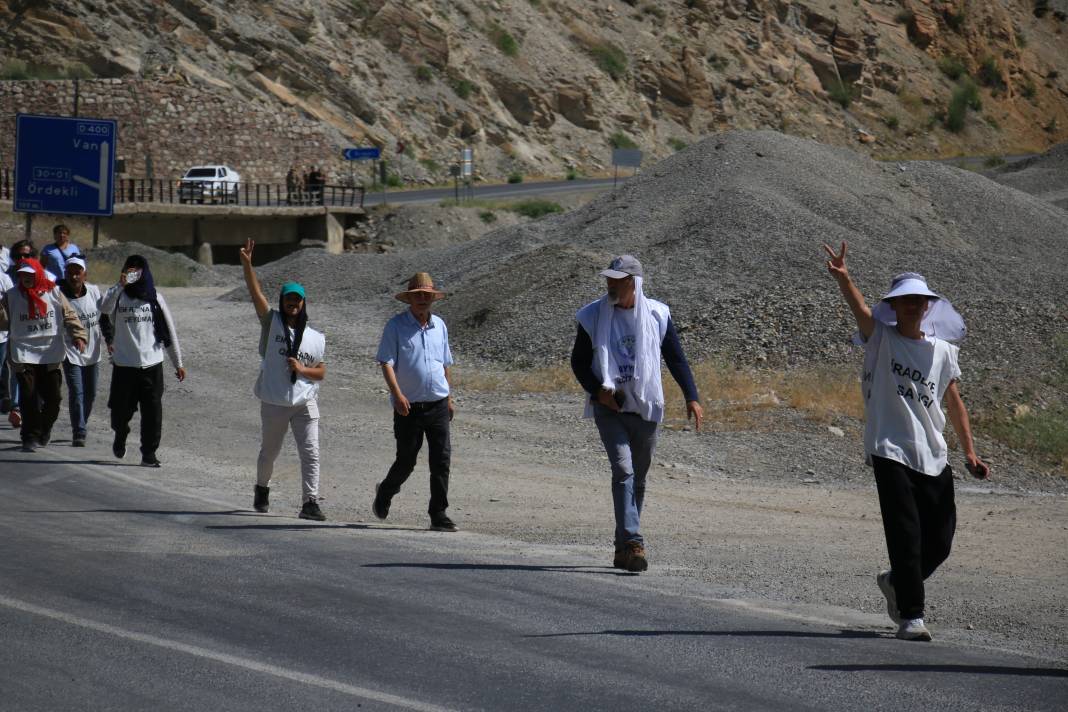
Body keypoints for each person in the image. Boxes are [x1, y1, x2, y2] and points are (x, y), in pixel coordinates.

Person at [823, 241, 989, 642]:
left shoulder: (944, 352)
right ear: (893, 307)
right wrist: (844, 279)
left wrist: (969, 450)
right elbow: (861, 313)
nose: (913, 306)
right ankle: (911, 615)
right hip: (890, 447)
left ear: (928, 306)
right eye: (905, 301)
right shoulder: (881, 338)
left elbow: (953, 401)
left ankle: (897, 580)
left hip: (933, 454)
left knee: (941, 540)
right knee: (905, 532)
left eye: (919, 301)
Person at [570, 255, 703, 573]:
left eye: (618, 280)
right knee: (623, 470)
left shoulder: (658, 314)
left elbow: (676, 358)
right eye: (609, 280)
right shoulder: (592, 315)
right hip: (609, 408)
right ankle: (633, 541)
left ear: (634, 282)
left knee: (639, 480)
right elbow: (578, 362)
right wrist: (598, 391)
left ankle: (622, 549)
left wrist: (692, 397)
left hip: (645, 406)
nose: (611, 285)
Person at [239, 238, 327, 521]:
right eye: (288, 298)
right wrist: (247, 265)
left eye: (297, 299)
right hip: (275, 399)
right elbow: (256, 294)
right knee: (270, 452)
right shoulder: (271, 322)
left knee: (311, 453)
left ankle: (310, 502)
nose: (292, 303)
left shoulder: (315, 338)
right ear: (282, 301)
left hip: (305, 400)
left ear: (303, 304)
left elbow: (321, 372)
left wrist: (302, 369)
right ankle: (262, 489)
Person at [372, 272, 457, 532]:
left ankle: (438, 513)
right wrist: (397, 394)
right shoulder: (396, 326)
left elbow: (445, 363)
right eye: (418, 295)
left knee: (441, 460)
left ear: (432, 298)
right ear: (409, 298)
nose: (423, 299)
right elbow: (386, 362)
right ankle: (386, 490)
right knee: (407, 460)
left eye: (427, 295)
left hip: (438, 404)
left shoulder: (439, 325)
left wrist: (449, 397)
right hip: (408, 406)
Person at [100, 255, 186, 467]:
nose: (135, 272)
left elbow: (169, 331)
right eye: (131, 268)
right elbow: (103, 308)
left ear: (145, 271)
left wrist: (178, 362)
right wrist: (119, 286)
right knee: (120, 413)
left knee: (153, 412)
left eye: (139, 268)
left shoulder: (155, 297)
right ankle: (121, 434)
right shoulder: (118, 296)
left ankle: (149, 453)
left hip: (152, 364)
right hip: (124, 366)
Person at [0, 258, 87, 452]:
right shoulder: (12, 295)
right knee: (29, 396)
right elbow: (3, 322)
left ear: (38, 274)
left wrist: (79, 335)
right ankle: (29, 437)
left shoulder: (54, 292)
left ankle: (44, 429)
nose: (26, 278)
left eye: (30, 275)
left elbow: (69, 315)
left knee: (54, 398)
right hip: (23, 353)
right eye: (22, 275)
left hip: (50, 353)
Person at [59, 256, 104, 447]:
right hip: (70, 351)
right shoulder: (59, 295)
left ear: (85, 274)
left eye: (78, 272)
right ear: (65, 274)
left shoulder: (94, 292)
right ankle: (79, 430)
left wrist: (110, 340)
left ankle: (82, 422)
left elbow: (105, 318)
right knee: (76, 391)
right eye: (70, 272)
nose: (74, 275)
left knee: (90, 393)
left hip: (93, 351)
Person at [2, 240, 38, 425]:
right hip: (12, 333)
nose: (22, 259)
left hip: (37, 335)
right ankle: (16, 406)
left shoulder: (45, 279)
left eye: (26, 255)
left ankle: (30, 405)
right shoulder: (7, 279)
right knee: (16, 370)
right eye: (18, 256)